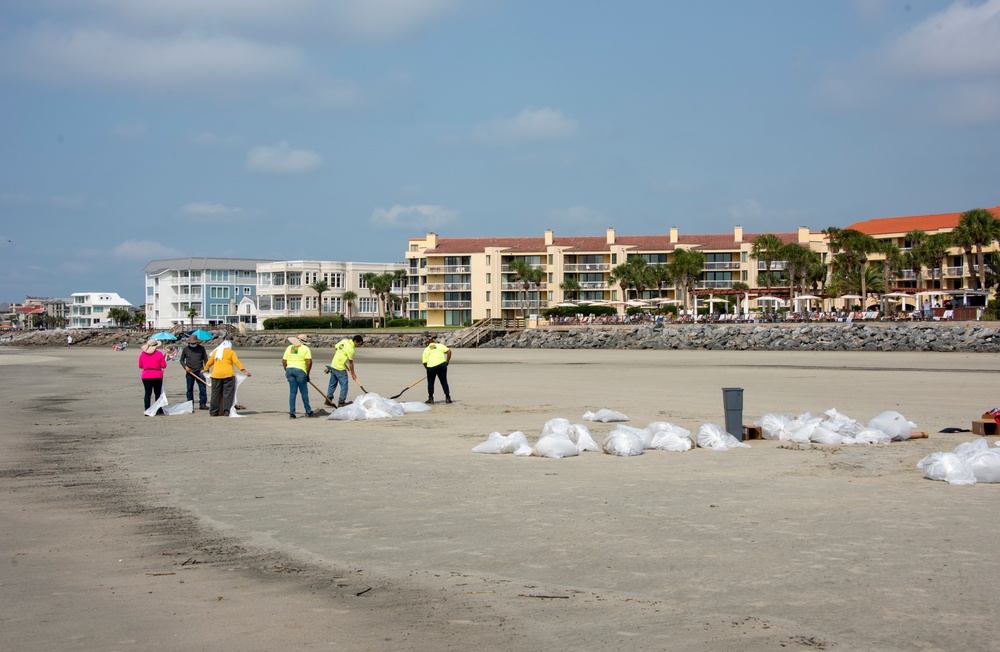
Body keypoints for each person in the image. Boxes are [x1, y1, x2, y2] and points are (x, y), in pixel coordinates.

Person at [204, 340, 251, 417]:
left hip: (216, 375)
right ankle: (227, 411)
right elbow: (237, 362)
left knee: (215, 394)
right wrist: (244, 371)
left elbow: (210, 362)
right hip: (228, 375)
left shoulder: (216, 352)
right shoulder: (231, 352)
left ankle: (213, 412)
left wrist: (205, 369)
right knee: (228, 394)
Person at [282, 334, 314, 419]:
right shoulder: (305, 349)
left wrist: (287, 370)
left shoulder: (289, 348)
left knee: (293, 392)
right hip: (300, 371)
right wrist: (307, 374)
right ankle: (308, 411)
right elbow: (309, 362)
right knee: (304, 392)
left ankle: (292, 413)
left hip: (289, 370)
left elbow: (284, 361)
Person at [326, 335, 363, 407]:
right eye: (359, 344)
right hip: (340, 368)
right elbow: (351, 363)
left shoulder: (344, 341)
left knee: (332, 384)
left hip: (333, 365)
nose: (359, 345)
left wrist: (338, 357)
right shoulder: (351, 349)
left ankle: (328, 399)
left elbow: (335, 347)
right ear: (355, 341)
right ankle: (341, 402)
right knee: (344, 385)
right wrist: (353, 374)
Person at [179, 334, 209, 410]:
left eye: (194, 343)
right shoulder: (186, 349)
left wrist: (205, 369)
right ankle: (190, 404)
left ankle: (202, 403)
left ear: (197, 342)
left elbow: (206, 359)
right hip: (190, 372)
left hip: (200, 371)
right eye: (191, 343)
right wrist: (185, 367)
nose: (193, 344)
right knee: (189, 388)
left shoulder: (201, 348)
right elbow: (181, 360)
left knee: (202, 388)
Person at [138, 339, 167, 413]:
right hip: (157, 375)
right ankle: (158, 409)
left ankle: (147, 409)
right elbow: (163, 365)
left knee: (148, 393)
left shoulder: (142, 354)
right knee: (157, 393)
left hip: (146, 375)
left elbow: (140, 366)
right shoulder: (159, 354)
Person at [421, 334, 452, 404]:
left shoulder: (426, 350)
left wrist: (428, 369)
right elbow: (449, 352)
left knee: (430, 383)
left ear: (427, 343)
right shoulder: (440, 346)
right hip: (442, 365)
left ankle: (431, 398)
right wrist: (447, 362)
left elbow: (424, 362)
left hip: (431, 367)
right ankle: (447, 398)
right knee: (444, 381)